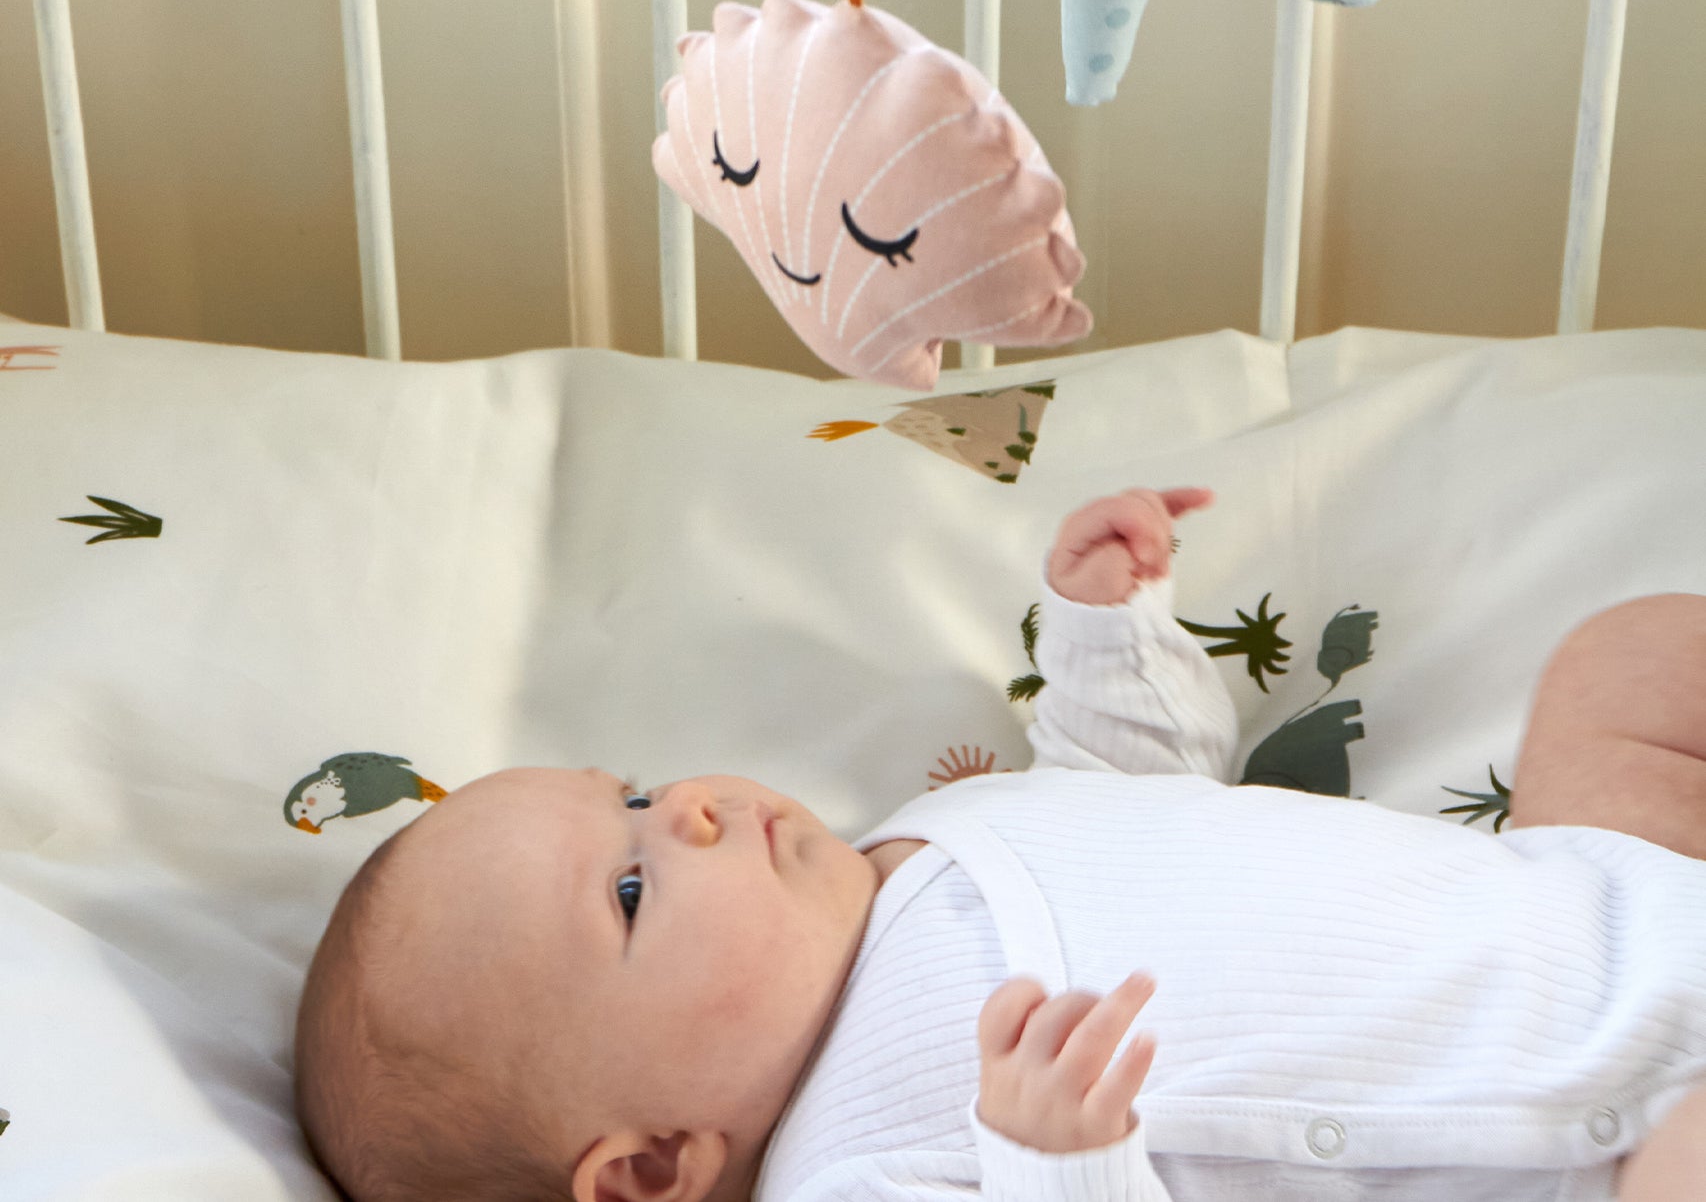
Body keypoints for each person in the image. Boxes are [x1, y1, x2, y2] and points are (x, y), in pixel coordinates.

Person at [293, 487, 1706, 1202]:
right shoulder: (849, 1168)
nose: (688, 812)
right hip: (1609, 1122)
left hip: (1596, 895)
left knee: (1626, 664)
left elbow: (1137, 783)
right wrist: (1057, 1162)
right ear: (656, 1166)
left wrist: (1109, 629)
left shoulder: (924, 832)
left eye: (637, 792)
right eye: (629, 886)